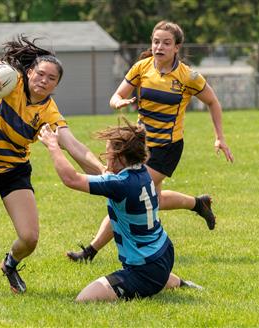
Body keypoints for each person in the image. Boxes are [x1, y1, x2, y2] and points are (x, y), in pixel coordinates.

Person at [67, 20, 234, 263]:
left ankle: (90, 251)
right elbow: (116, 95)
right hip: (140, 145)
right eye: (156, 41)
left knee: (128, 194)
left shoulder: (188, 76)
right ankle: (199, 204)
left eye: (166, 43)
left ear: (177, 47)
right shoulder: (141, 68)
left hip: (167, 148)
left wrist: (219, 137)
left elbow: (213, 102)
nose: (159, 46)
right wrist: (119, 103)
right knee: (152, 199)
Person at [0, 36, 105, 293]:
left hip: (14, 171)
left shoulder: (49, 113)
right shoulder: (12, 81)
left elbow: (74, 147)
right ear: (29, 73)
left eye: (52, 79)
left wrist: (105, 173)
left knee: (30, 238)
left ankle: (10, 264)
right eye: (40, 74)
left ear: (56, 85)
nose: (44, 81)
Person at [39, 118, 201, 302]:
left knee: (83, 299)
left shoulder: (121, 184)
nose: (106, 158)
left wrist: (53, 146)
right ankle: (181, 283)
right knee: (154, 275)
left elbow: (71, 179)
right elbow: (103, 175)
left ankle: (159, 282)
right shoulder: (141, 172)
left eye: (108, 154)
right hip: (163, 252)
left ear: (121, 157)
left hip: (144, 269)